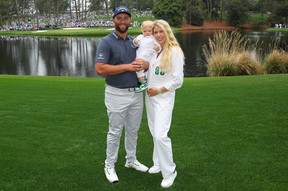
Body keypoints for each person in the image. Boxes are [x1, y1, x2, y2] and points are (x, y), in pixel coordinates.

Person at [95, 6, 149, 183]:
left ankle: (131, 160)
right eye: (119, 18)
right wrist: (127, 67)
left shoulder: (134, 42)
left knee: (133, 130)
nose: (123, 21)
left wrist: (146, 65)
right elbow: (100, 69)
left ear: (130, 21)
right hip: (116, 93)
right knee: (115, 131)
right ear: (113, 21)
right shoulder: (106, 41)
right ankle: (109, 165)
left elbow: (146, 61)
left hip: (136, 93)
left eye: (126, 18)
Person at [145, 20, 185, 188]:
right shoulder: (157, 51)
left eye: (161, 31)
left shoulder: (174, 51)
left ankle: (170, 171)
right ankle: (158, 162)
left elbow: (178, 81)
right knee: (154, 132)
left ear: (167, 32)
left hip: (163, 98)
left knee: (161, 135)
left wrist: (159, 90)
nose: (158, 35)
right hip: (150, 98)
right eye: (155, 32)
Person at [133, 20, 161, 93]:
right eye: (145, 31)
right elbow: (136, 43)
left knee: (140, 68)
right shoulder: (141, 37)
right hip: (140, 54)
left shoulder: (153, 38)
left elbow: (158, 47)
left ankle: (143, 83)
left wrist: (157, 48)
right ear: (142, 31)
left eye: (149, 31)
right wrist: (135, 41)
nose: (147, 33)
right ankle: (143, 81)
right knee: (138, 69)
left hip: (148, 56)